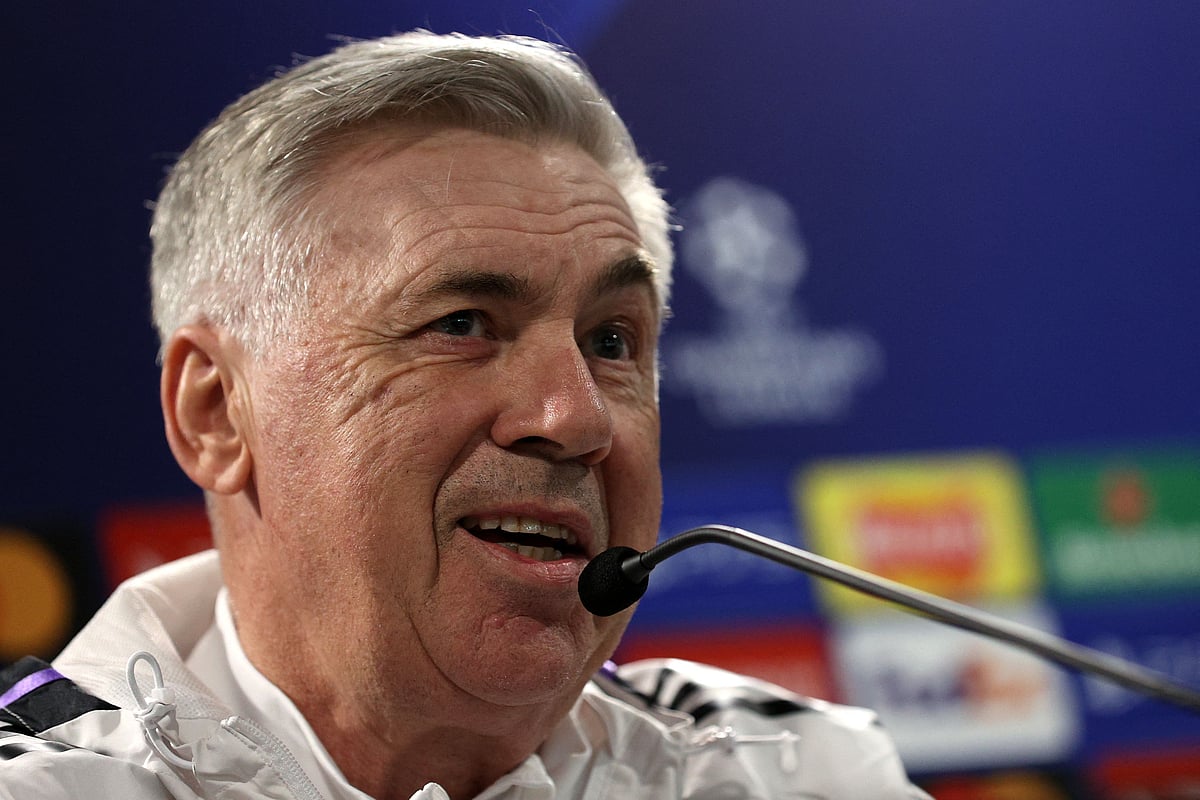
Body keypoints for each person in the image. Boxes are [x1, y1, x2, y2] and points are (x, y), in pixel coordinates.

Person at [0, 31, 929, 800]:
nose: (575, 418)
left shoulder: (803, 775)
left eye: (612, 341)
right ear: (217, 413)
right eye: (461, 325)